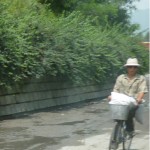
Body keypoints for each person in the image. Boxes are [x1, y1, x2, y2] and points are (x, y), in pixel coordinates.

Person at [108, 58, 148, 134]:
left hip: (134, 100)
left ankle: (130, 129)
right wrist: (111, 96)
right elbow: (116, 89)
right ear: (126, 68)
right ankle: (117, 128)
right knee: (115, 107)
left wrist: (139, 99)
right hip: (122, 100)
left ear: (137, 68)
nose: (132, 69)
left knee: (130, 110)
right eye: (130, 66)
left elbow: (142, 90)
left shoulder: (141, 78)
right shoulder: (121, 78)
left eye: (134, 67)